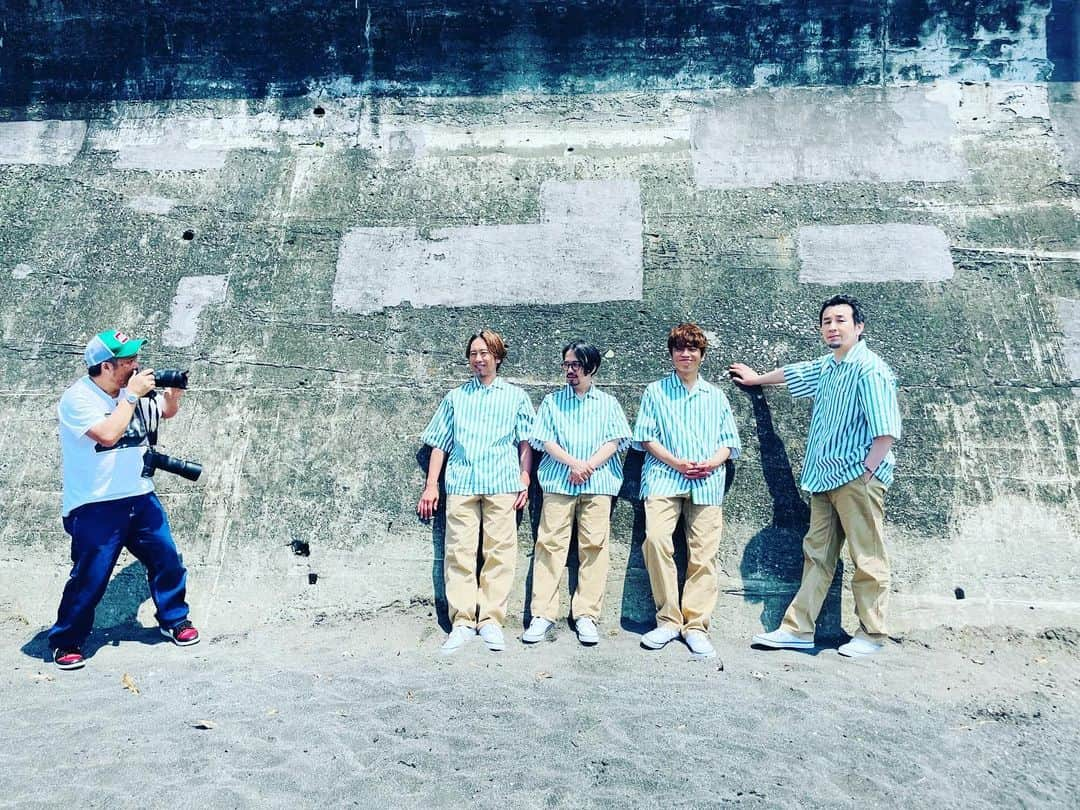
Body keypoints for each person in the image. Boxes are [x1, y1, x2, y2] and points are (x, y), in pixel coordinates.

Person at [729, 294, 902, 658]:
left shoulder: (869, 369)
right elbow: (794, 373)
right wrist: (756, 378)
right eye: (827, 321)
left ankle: (872, 634)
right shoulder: (828, 366)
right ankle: (798, 630)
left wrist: (867, 472)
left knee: (867, 557)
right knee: (817, 555)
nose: (833, 327)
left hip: (857, 479)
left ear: (859, 327)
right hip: (824, 479)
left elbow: (886, 430)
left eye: (841, 320)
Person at [48, 330, 199, 670]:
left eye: (135, 359)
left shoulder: (134, 392)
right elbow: (107, 433)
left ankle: (175, 619)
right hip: (94, 504)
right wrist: (131, 395)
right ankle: (66, 641)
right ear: (104, 367)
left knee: (167, 561)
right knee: (90, 577)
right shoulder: (78, 399)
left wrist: (173, 394)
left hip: (140, 497)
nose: (136, 365)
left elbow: (166, 412)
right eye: (128, 361)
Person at [417, 329, 535, 654]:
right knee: (459, 552)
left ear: (497, 356)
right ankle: (463, 621)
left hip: (501, 483)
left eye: (485, 353)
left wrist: (524, 479)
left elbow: (525, 443)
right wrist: (431, 486)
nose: (479, 359)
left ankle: (492, 620)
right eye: (473, 353)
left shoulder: (516, 397)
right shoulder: (456, 398)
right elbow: (440, 444)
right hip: (462, 483)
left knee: (499, 553)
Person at [633, 323, 741, 660]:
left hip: (708, 482)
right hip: (664, 478)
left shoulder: (716, 396)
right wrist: (676, 462)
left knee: (703, 554)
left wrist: (710, 463)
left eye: (692, 349)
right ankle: (667, 619)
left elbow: (729, 443)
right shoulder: (656, 392)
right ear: (671, 353)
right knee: (656, 540)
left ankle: (696, 626)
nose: (685, 354)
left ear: (701, 355)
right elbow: (646, 438)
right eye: (679, 348)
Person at [522, 340, 632, 646]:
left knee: (594, 547)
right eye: (566, 365)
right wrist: (575, 464)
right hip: (559, 482)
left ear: (591, 367)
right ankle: (542, 614)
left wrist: (588, 467)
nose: (570, 370)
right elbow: (544, 440)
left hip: (598, 485)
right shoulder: (552, 402)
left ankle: (586, 615)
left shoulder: (608, 403)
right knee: (549, 545)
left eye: (575, 365)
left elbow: (615, 440)